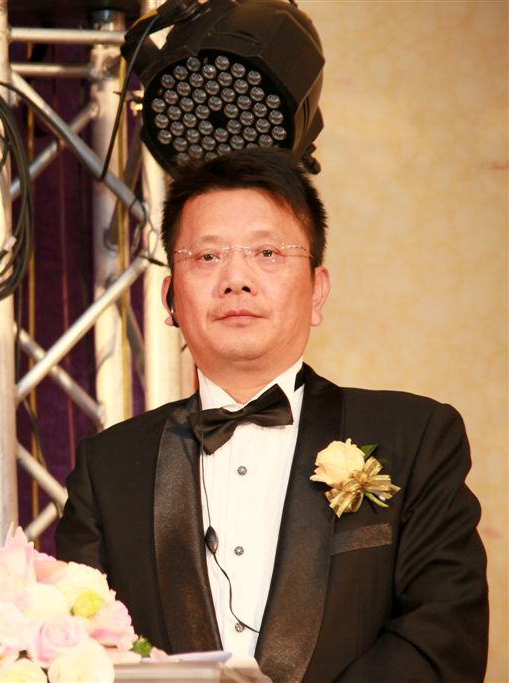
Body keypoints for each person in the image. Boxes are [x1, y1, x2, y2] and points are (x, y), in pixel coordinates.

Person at [56, 148, 488, 682]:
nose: (236, 279)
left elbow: (443, 639)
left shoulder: (416, 437)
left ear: (317, 291)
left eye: (267, 253)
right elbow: (81, 652)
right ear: (170, 300)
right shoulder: (109, 466)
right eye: (207, 256)